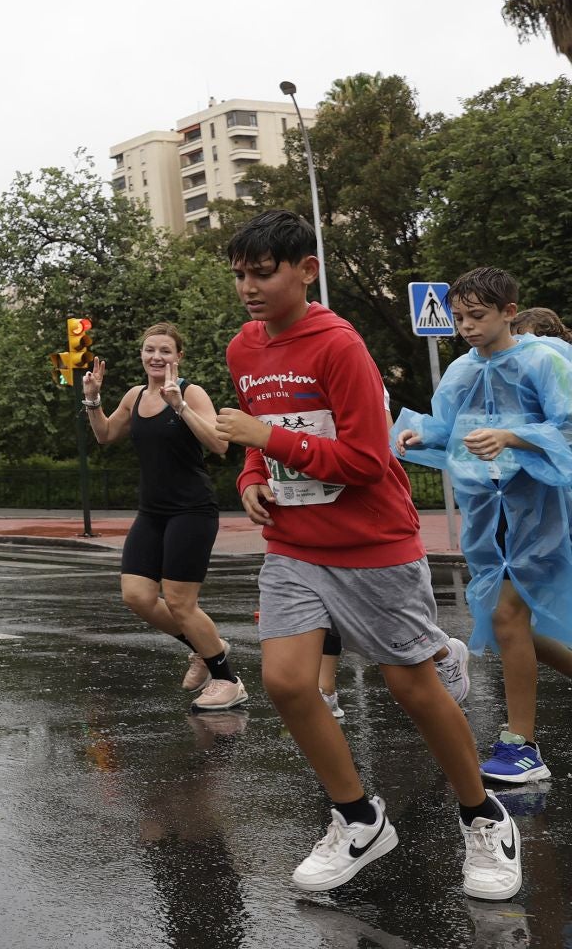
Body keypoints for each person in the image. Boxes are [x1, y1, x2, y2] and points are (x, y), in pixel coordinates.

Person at [215, 210, 517, 900]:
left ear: (305, 270)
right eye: (239, 276)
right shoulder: (244, 351)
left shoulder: (338, 345)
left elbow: (359, 458)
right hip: (293, 543)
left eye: (264, 273)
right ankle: (357, 818)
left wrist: (266, 437)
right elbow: (264, 443)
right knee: (289, 682)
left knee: (412, 687)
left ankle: (482, 815)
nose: (249, 289)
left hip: (372, 544)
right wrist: (253, 477)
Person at [393, 268, 572, 786]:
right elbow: (450, 429)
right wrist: (416, 437)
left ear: (509, 312)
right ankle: (522, 744)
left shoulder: (544, 361)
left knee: (512, 618)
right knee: (511, 625)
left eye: (477, 316)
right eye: (458, 317)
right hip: (487, 517)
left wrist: (512, 438)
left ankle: (523, 747)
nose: (466, 327)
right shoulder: (460, 372)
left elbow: (566, 426)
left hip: (540, 512)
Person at [85, 323, 245, 711]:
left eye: (165, 351)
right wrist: (92, 400)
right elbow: (105, 435)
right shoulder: (135, 395)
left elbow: (219, 444)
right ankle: (208, 647)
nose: (156, 356)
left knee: (179, 603)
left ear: (178, 357)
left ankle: (227, 680)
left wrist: (181, 407)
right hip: (153, 510)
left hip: (192, 509)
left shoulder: (191, 392)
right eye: (150, 349)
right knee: (137, 596)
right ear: (142, 355)